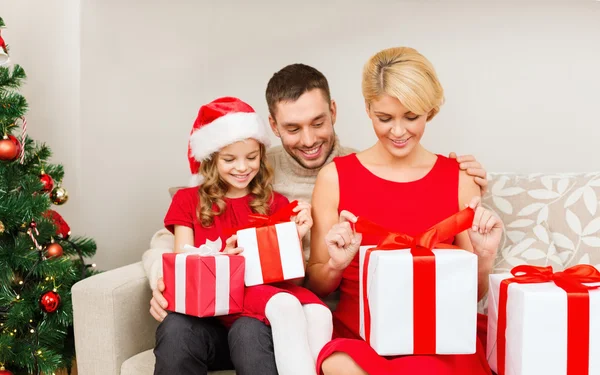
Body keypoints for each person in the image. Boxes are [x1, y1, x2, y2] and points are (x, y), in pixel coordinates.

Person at [145, 63, 491, 374]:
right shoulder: (252, 168)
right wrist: (167, 279)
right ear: (273, 126)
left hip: (297, 314)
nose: (309, 140)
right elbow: (182, 226)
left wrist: (471, 205)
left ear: (335, 112)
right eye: (293, 128)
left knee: (253, 332)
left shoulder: (359, 167)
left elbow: (455, 271)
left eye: (318, 122)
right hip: (252, 306)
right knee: (178, 329)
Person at [307, 47, 503, 375]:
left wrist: (483, 258)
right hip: (361, 335)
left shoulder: (459, 178)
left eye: (411, 117)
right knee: (337, 362)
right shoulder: (334, 177)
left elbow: (472, 294)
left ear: (431, 111)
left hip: (438, 337)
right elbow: (316, 285)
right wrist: (335, 264)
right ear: (368, 108)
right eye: (385, 118)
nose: (398, 132)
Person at [154, 96, 332, 375]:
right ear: (211, 159)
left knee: (256, 330)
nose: (242, 168)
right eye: (229, 159)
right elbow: (182, 268)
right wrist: (220, 264)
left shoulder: (276, 204)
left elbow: (292, 281)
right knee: (176, 328)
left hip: (254, 323)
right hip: (208, 323)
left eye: (251, 157)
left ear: (261, 155)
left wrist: (294, 238)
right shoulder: (188, 201)